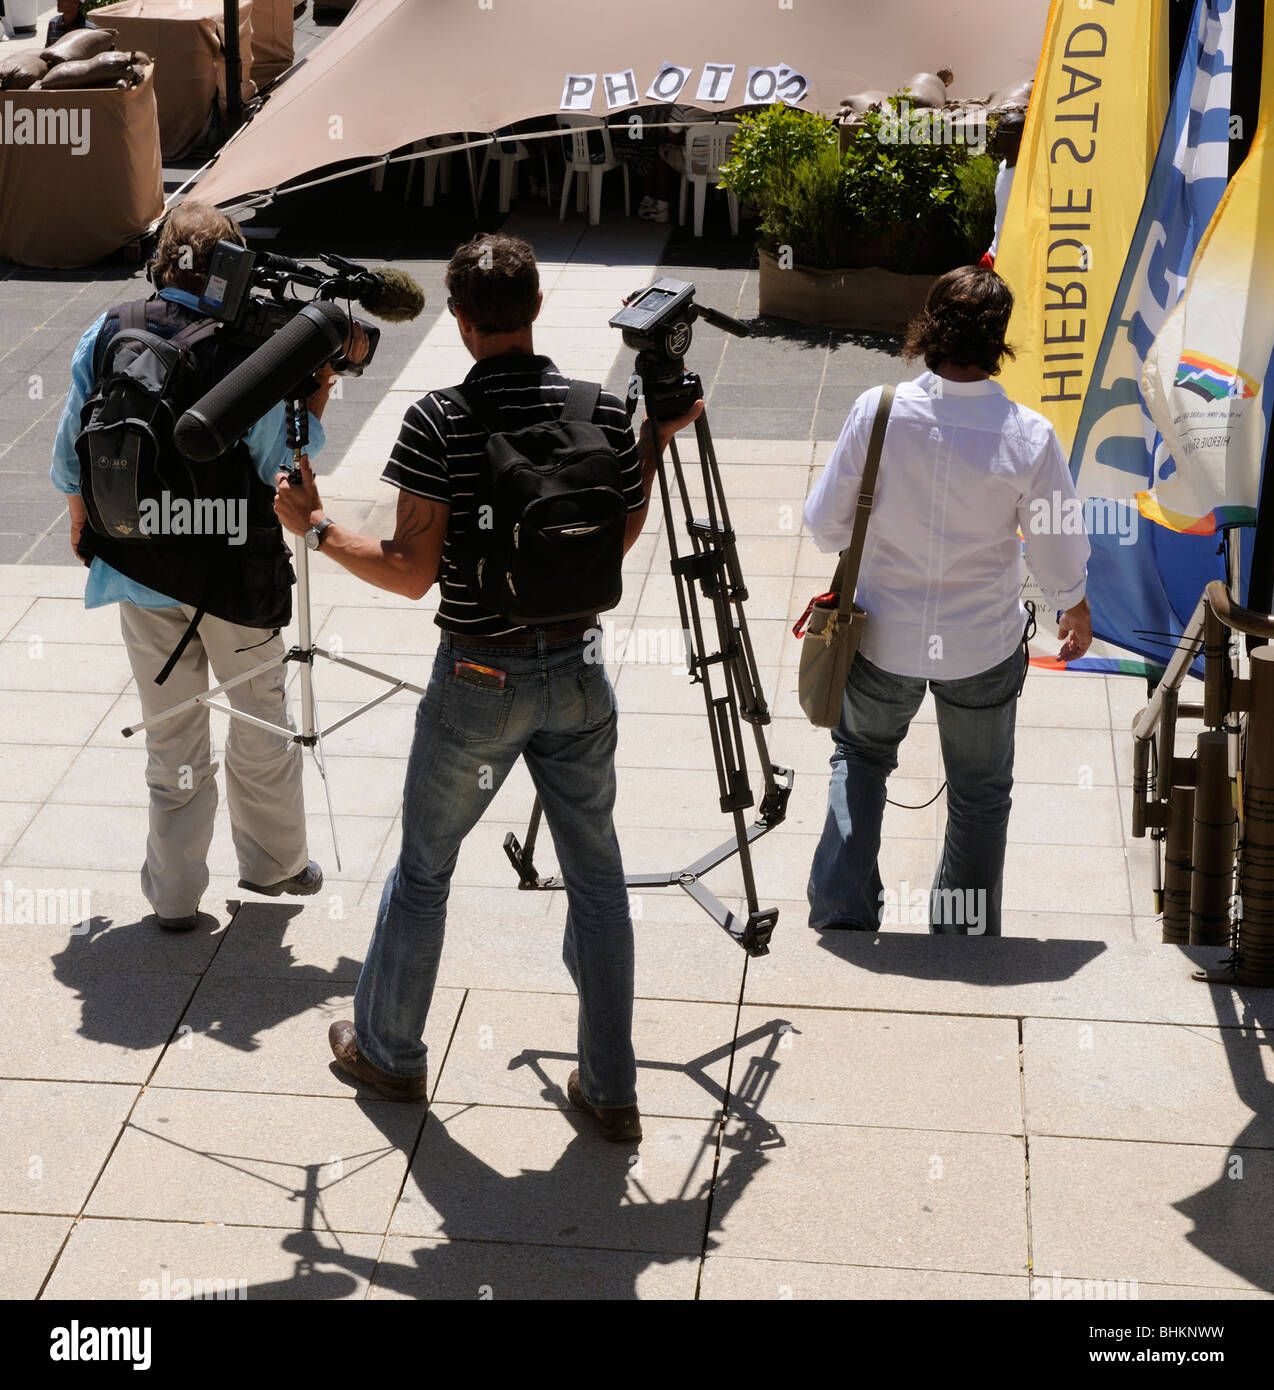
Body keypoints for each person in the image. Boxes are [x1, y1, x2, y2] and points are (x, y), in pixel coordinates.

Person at [274, 233, 702, 1140]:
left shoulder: (437, 420)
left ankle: (388, 1054)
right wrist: (653, 442)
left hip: (478, 674)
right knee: (598, 878)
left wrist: (313, 528)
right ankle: (611, 1085)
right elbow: (618, 540)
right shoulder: (600, 409)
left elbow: (409, 570)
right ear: (540, 307)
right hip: (580, 672)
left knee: (426, 870)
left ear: (460, 323)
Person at [50, 201, 335, 931]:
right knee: (260, 721)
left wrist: (90, 533)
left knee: (170, 733)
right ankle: (274, 866)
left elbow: (71, 456)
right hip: (236, 575)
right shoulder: (254, 350)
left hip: (140, 568)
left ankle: (175, 897)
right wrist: (316, 402)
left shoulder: (109, 328)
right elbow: (279, 473)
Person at [803, 265, 1091, 938]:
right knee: (980, 794)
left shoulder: (877, 412)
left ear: (928, 329)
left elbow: (823, 526)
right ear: (999, 342)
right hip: (982, 643)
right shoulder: (1028, 434)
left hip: (879, 637)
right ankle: (961, 933)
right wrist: (1071, 606)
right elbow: (1054, 548)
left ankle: (842, 913)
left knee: (861, 759)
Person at [981, 108, 1025, 268]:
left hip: (1017, 264)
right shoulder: (1003, 166)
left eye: (1001, 133)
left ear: (1019, 139)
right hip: (994, 255)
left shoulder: (1029, 176)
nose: (993, 137)